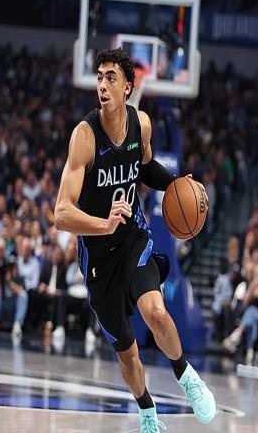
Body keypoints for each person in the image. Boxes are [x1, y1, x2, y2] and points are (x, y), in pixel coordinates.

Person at [54, 49, 216, 431]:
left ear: (128, 86)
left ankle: (187, 377)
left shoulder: (141, 125)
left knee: (155, 312)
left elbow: (143, 168)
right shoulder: (84, 136)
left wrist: (176, 184)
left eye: (111, 77)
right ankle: (147, 413)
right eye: (99, 77)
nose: (102, 84)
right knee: (127, 354)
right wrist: (103, 223)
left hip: (133, 239)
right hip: (98, 259)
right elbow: (61, 213)